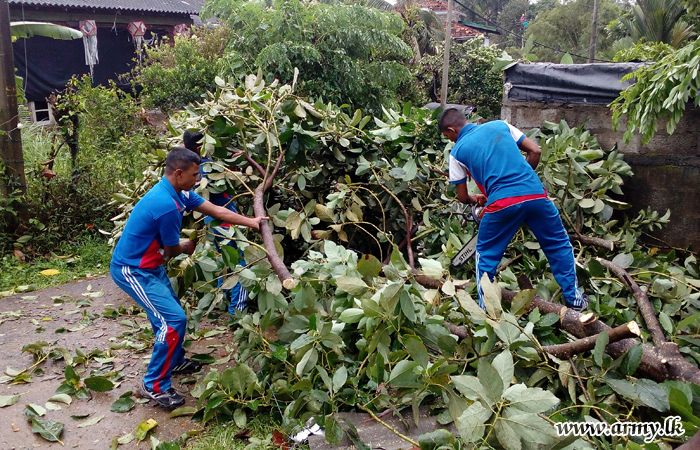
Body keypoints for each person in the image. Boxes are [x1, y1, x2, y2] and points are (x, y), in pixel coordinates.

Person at [110, 147, 267, 408]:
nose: (199, 179)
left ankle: (174, 361)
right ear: (179, 173)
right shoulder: (166, 205)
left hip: (151, 265)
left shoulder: (179, 193)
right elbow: (172, 251)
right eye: (195, 175)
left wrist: (252, 222)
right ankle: (154, 385)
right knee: (173, 320)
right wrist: (183, 246)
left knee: (171, 314)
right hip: (133, 270)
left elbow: (216, 210)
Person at [438, 108, 588, 312]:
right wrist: (519, 185)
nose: (451, 141)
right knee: (559, 245)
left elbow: (463, 197)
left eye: (448, 136)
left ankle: (487, 313)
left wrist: (480, 198)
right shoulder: (500, 125)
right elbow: (535, 150)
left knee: (486, 257)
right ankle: (575, 300)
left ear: (451, 129)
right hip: (536, 194)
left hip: (502, 203)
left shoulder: (456, 153)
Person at [183, 130, 249, 314]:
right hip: (225, 222)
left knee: (225, 260)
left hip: (213, 223)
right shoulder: (207, 167)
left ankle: (222, 299)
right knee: (239, 264)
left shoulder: (192, 168)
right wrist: (234, 164)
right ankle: (238, 310)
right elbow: (227, 181)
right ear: (200, 148)